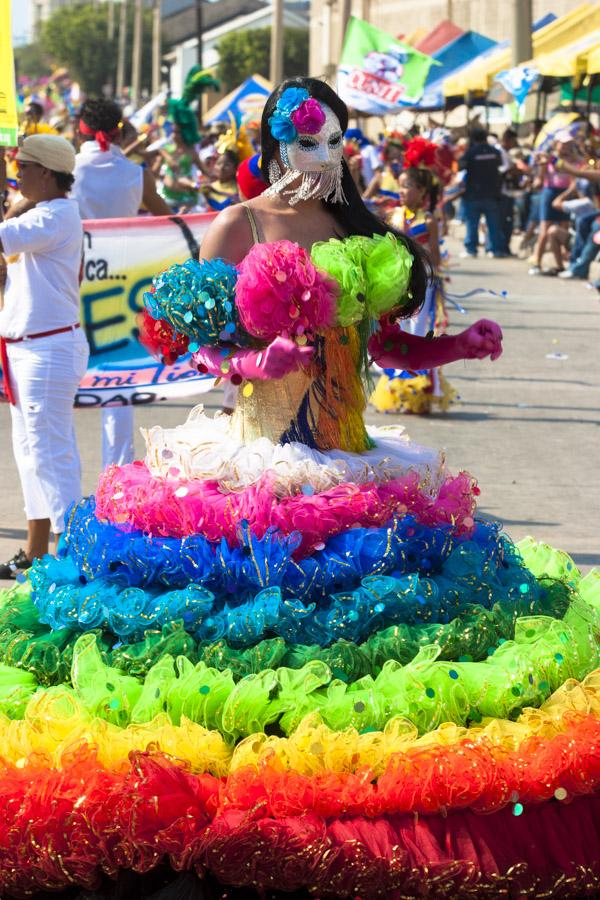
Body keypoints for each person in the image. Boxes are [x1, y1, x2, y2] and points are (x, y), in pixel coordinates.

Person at [1, 79, 598, 899]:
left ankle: (346, 801)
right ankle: (248, 803)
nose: (321, 160)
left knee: (374, 642)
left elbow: (384, 349)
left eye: (334, 144)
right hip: (259, 472)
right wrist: (256, 362)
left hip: (356, 462)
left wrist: (456, 347)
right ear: (274, 142)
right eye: (306, 142)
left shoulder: (358, 229)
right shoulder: (236, 226)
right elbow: (199, 354)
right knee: (252, 634)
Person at [0, 135, 89, 578]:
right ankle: (36, 554)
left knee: (52, 455)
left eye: (24, 168)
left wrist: (4, 195)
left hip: (46, 349)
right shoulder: (42, 213)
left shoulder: (55, 216)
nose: (18, 177)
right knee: (31, 454)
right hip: (27, 349)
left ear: (47, 174)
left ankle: (71, 557)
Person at [71, 98, 171, 470]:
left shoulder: (67, 171)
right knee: (117, 387)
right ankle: (117, 479)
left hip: (73, 283)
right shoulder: (136, 173)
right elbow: (168, 218)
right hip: (120, 285)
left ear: (78, 128)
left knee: (66, 384)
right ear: (120, 130)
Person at [371, 141, 455, 414]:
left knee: (418, 331)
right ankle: (396, 390)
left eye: (408, 187)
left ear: (421, 192)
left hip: (423, 284)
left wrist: (429, 274)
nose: (402, 192)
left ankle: (420, 391)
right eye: (401, 186)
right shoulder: (392, 216)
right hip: (395, 285)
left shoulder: (429, 220)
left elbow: (435, 257)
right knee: (397, 331)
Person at [458, 127, 504, 258]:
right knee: (493, 224)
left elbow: (460, 166)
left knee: (472, 224)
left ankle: (471, 250)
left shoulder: (471, 153)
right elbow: (501, 166)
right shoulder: (495, 152)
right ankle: (494, 250)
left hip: (474, 194)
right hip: (492, 193)